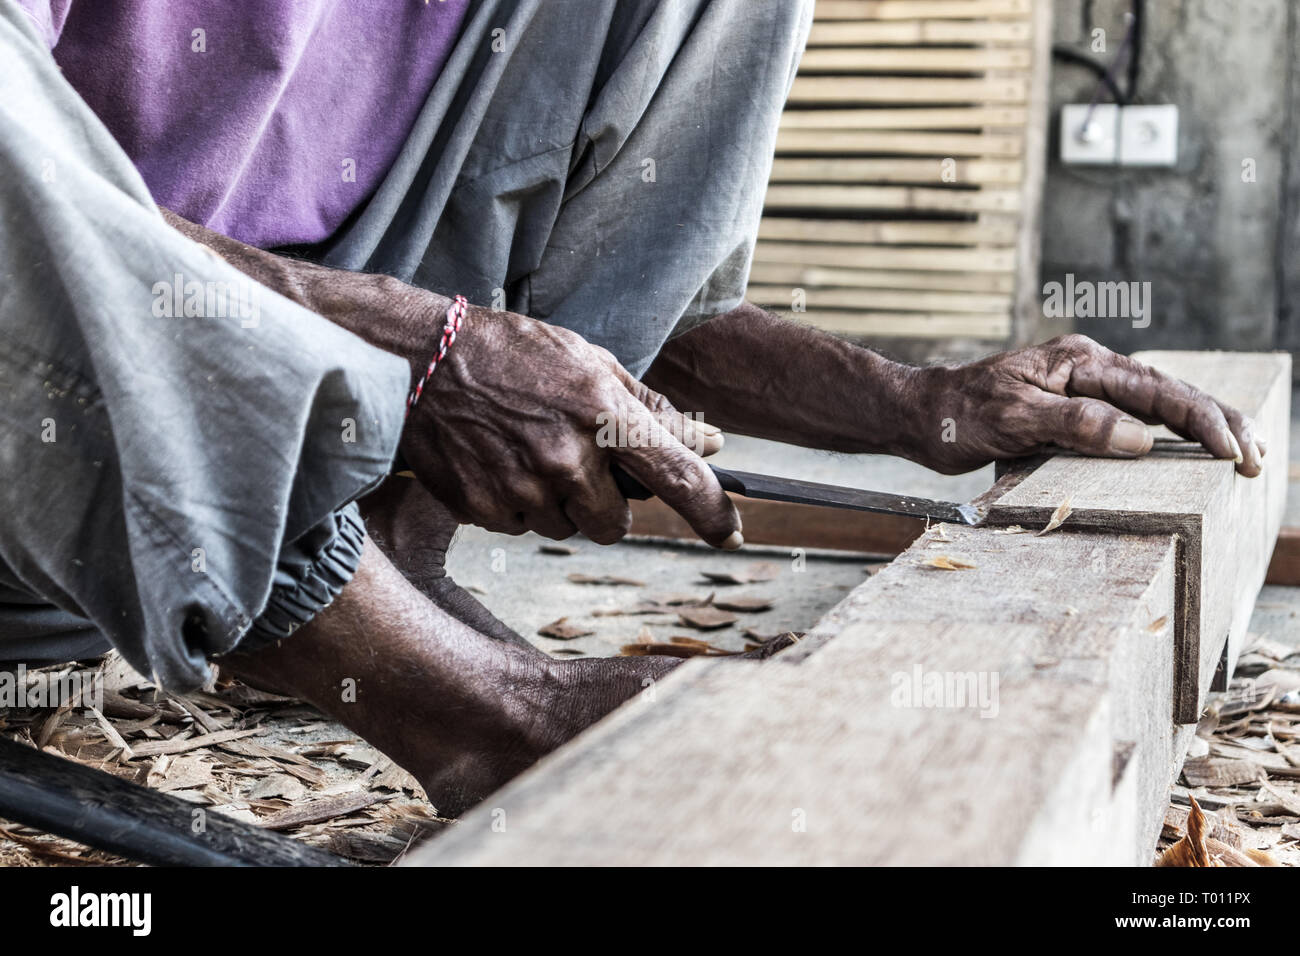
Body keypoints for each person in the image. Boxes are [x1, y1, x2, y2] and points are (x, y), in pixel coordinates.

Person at [1, 0, 1265, 814]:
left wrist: (919, 404)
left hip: (288, 475)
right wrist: (429, 347)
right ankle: (468, 712)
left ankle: (377, 568)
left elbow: (598, 304)